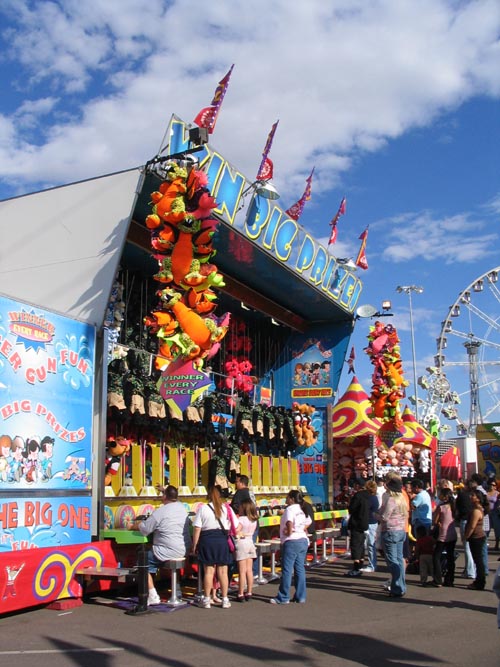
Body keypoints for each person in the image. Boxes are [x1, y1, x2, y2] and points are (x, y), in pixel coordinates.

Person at [131, 484, 191, 606]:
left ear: (164, 497)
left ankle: (152, 594)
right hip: (184, 548)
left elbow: (145, 529)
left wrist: (133, 525)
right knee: (153, 550)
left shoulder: (160, 511)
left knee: (142, 559)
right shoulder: (181, 507)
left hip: (168, 550)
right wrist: (166, 490)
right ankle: (177, 590)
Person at [191, 484, 240, 609]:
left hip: (207, 540)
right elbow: (237, 526)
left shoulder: (203, 508)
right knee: (223, 572)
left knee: (209, 571)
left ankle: (207, 599)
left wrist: (194, 546)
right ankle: (225, 599)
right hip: (222, 540)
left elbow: (197, 529)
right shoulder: (226, 509)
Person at [270, 489, 311, 604]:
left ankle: (283, 597)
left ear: (292, 499)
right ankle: (301, 596)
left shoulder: (289, 509)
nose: (286, 499)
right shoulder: (301, 510)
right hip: (302, 540)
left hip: (292, 541)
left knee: (287, 570)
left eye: (287, 497)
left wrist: (288, 532)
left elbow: (289, 522)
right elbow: (307, 522)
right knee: (299, 569)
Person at [378, 475, 408, 598]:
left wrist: (375, 515)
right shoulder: (402, 499)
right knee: (399, 559)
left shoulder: (391, 500)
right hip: (401, 531)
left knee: (392, 561)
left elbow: (385, 517)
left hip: (390, 531)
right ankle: (401, 585)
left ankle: (397, 587)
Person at [432, 487, 458, 587]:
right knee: (450, 557)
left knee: (436, 556)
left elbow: (435, 520)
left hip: (443, 534)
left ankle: (437, 579)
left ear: (444, 496)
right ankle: (450, 579)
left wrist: (437, 523)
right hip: (452, 534)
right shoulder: (453, 506)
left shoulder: (441, 507)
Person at [234, 498, 258, 602]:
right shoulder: (253, 520)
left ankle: (240, 593)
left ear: (243, 508)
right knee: (249, 570)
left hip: (242, 543)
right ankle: (249, 592)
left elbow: (236, 530)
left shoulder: (241, 520)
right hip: (250, 542)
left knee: (242, 571)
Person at [345, 479, 371, 577]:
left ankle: (356, 568)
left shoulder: (358, 496)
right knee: (361, 544)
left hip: (356, 523)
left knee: (355, 544)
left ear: (357, 486)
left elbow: (351, 509)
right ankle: (360, 564)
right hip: (365, 522)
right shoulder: (369, 495)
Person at [463, 489, 487, 591]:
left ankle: (480, 582)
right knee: (478, 560)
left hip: (476, 537)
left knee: (478, 561)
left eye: (473, 495)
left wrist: (466, 536)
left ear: (478, 498)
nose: (470, 497)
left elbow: (472, 526)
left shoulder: (476, 511)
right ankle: (479, 581)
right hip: (477, 537)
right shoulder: (477, 509)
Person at [362, 480, 380, 572]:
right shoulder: (375, 498)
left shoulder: (370, 498)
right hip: (372, 522)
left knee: (370, 544)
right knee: (369, 544)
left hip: (370, 523)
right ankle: (372, 564)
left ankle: (372, 565)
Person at [486, 480, 500, 551]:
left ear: (495, 486)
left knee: (497, 529)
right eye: (491, 484)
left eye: (493, 485)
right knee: (486, 529)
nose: (492, 486)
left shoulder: (497, 494)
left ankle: (497, 544)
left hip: (495, 513)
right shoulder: (487, 493)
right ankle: (485, 544)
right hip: (488, 513)